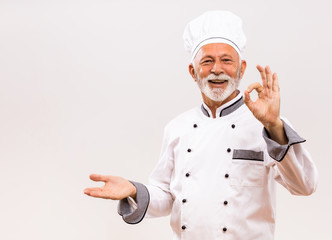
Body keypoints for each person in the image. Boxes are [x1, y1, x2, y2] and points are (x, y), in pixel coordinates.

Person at [84, 10, 318, 240]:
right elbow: (167, 195)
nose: (217, 69)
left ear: (241, 68)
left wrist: (274, 126)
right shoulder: (178, 128)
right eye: (207, 61)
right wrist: (134, 190)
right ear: (193, 72)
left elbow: (304, 185)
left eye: (226, 60)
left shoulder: (268, 127)